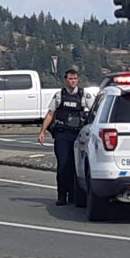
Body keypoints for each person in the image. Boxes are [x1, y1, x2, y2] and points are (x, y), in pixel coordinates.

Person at [38, 68, 94, 206]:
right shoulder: (59, 95)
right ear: (65, 80)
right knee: (63, 165)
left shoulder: (84, 95)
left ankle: (74, 196)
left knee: (76, 167)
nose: (73, 81)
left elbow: (94, 113)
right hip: (62, 135)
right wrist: (42, 131)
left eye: (75, 79)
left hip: (78, 135)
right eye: (70, 79)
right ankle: (62, 195)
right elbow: (50, 114)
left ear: (78, 80)